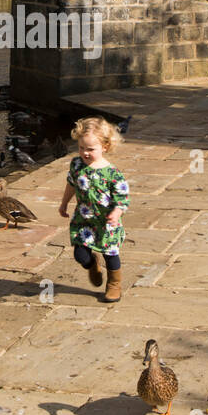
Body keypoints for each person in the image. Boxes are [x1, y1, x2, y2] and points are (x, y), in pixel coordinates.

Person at [58, 117, 130, 302]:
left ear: (105, 147)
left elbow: (122, 198)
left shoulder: (112, 173)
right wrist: (64, 203)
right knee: (80, 254)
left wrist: (117, 212)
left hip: (106, 223)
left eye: (91, 149)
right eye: (82, 148)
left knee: (110, 255)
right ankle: (91, 264)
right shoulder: (76, 164)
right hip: (84, 220)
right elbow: (71, 184)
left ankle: (114, 285)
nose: (85, 153)